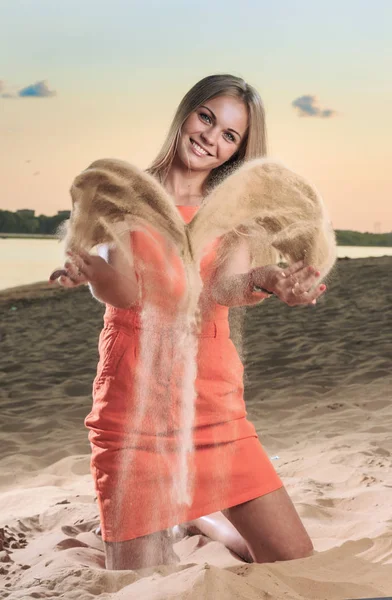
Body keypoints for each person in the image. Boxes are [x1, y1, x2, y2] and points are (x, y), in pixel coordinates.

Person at [51, 74, 327, 569]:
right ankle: (192, 517)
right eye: (207, 118)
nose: (211, 138)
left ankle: (205, 519)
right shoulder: (129, 193)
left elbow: (224, 288)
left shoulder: (232, 207)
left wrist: (269, 278)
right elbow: (128, 293)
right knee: (142, 579)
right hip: (137, 408)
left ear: (239, 150)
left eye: (230, 136)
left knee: (293, 559)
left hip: (214, 403)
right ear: (186, 112)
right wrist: (92, 273)